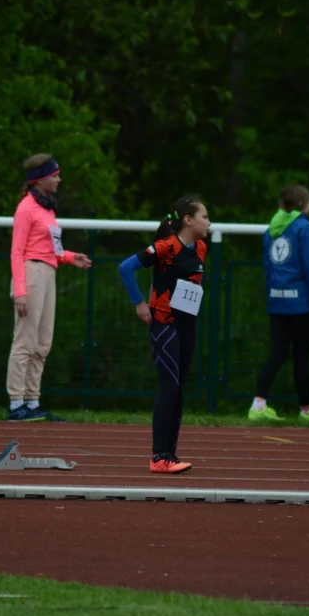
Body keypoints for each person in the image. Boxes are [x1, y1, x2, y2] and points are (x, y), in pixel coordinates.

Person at [119, 196, 211, 474]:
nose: (209, 222)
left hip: (188, 326)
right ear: (188, 220)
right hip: (164, 324)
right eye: (204, 216)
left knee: (179, 390)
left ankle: (169, 453)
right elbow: (126, 268)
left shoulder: (202, 248)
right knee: (169, 387)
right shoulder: (165, 247)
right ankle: (159, 456)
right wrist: (139, 303)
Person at [5, 154, 93, 422]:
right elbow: (17, 251)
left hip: (47, 273)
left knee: (42, 342)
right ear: (41, 179)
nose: (59, 179)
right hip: (30, 274)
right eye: (55, 175)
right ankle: (15, 403)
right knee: (25, 340)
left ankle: (32, 401)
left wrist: (69, 257)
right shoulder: (26, 208)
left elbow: (50, 250)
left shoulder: (47, 209)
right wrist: (19, 290)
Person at [248, 184, 309, 423]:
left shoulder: (271, 230)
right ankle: (306, 410)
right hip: (301, 304)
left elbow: (268, 269)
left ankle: (258, 404)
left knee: (277, 352)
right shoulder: (304, 228)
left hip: (277, 300)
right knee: (302, 356)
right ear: (304, 205)